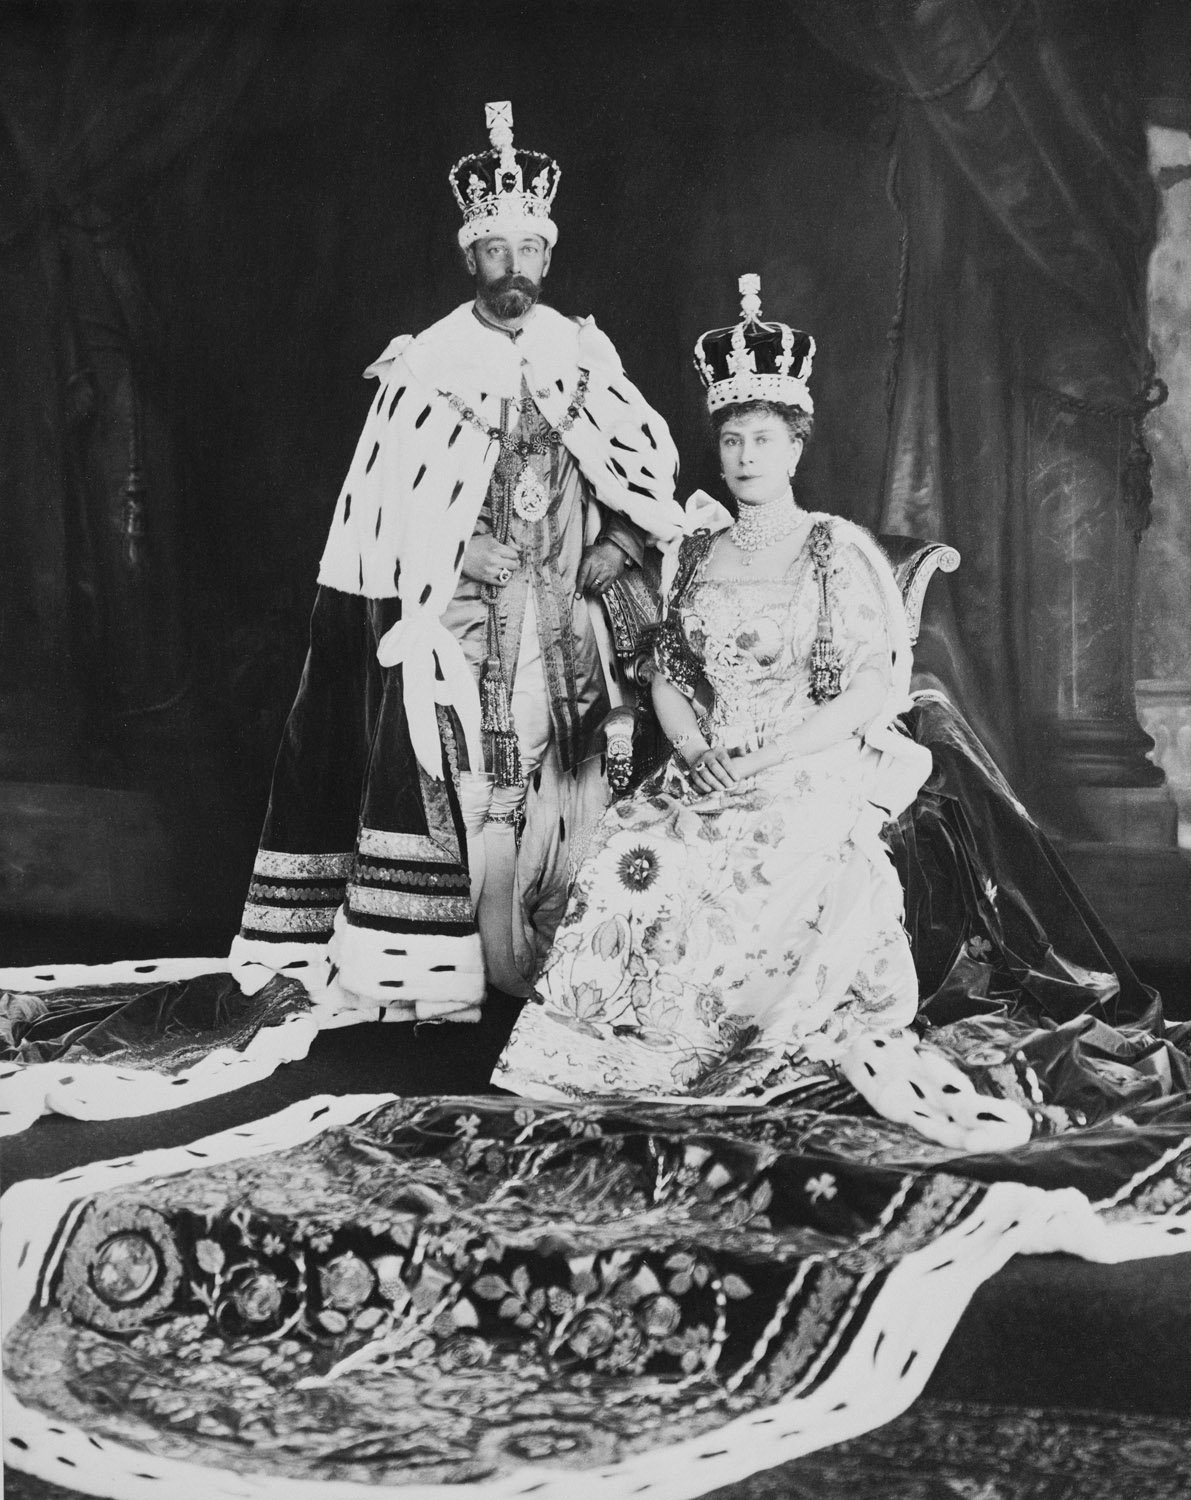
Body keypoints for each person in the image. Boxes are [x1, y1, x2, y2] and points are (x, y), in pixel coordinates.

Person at [494, 275, 1031, 1152]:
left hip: (807, 758)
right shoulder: (696, 551)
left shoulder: (834, 547)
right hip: (712, 754)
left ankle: (737, 1050)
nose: (744, 456)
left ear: (794, 448)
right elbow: (668, 668)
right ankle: (625, 1052)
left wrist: (765, 757)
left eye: (763, 440)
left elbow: (866, 687)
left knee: (756, 852)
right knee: (639, 846)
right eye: (732, 439)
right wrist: (697, 744)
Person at [227, 102, 685, 1018]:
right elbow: (386, 514)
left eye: (527, 252)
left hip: (570, 622)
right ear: (467, 253)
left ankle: (563, 954)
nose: (511, 270)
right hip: (462, 623)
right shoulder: (425, 366)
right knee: (478, 783)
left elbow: (641, 476)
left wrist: (619, 544)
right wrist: (447, 548)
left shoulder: (581, 353)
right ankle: (465, 969)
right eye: (494, 252)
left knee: (576, 774)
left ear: (546, 257)